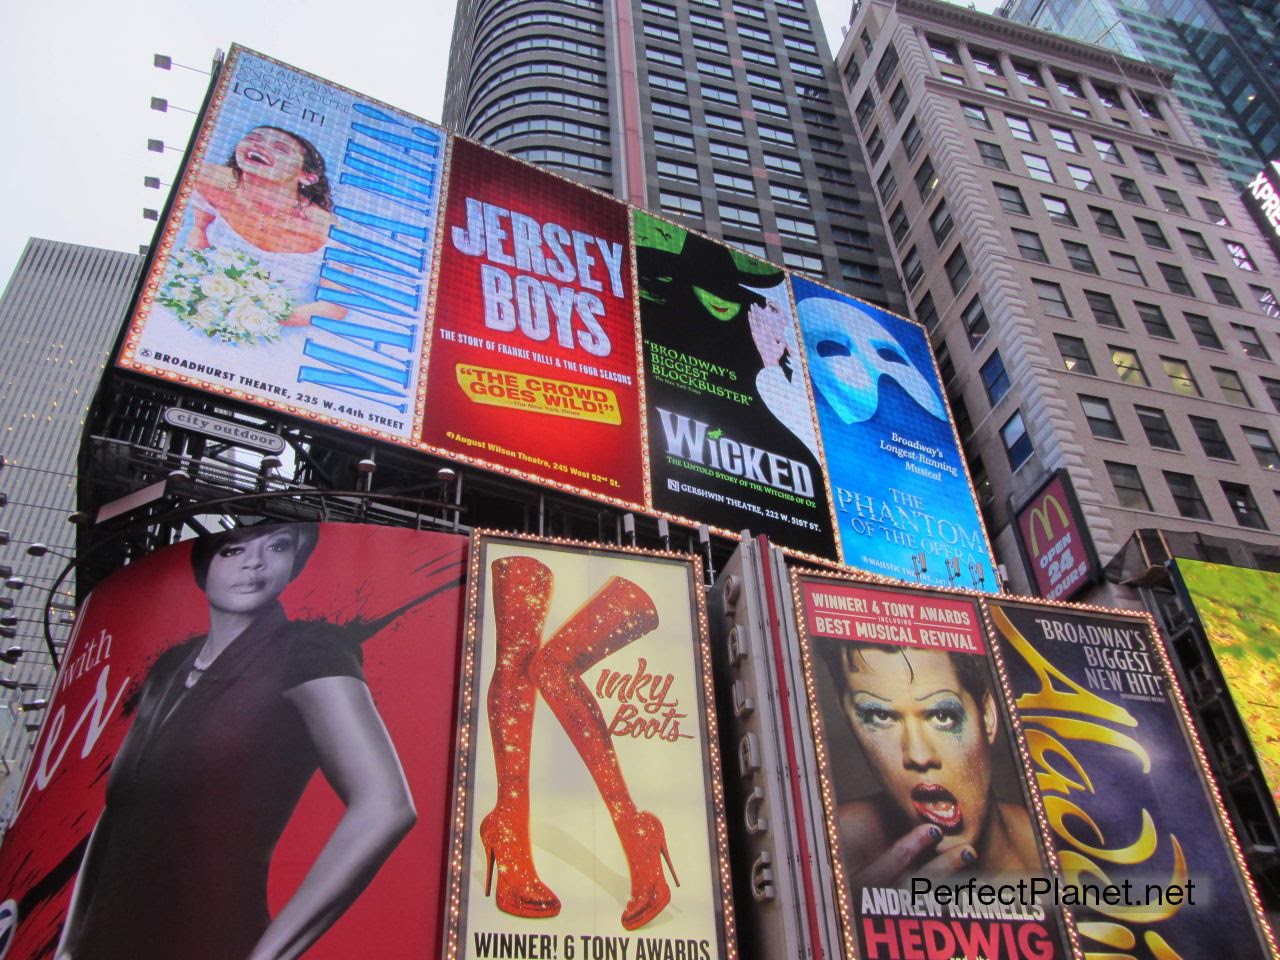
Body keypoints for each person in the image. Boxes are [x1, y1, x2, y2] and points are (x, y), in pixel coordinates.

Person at [54, 524, 416, 960]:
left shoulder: (309, 649)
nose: (255, 563)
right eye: (233, 551)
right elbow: (119, 812)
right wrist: (70, 944)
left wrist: (267, 956)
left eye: (278, 547)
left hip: (210, 941)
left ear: (293, 566)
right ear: (203, 568)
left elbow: (386, 805)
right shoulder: (170, 667)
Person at [831, 641, 1040, 888]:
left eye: (942, 715)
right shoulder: (832, 846)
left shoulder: (1058, 842)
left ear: (987, 716)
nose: (919, 755)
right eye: (882, 716)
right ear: (847, 717)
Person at [185, 125, 346, 328]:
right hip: (205, 313)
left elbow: (335, 307)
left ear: (307, 176)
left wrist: (252, 317)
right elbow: (198, 235)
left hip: (278, 331)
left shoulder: (327, 230)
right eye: (253, 138)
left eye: (281, 149)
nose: (259, 147)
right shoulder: (209, 179)